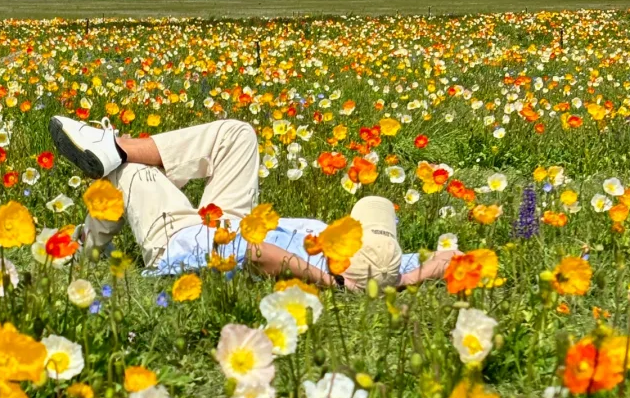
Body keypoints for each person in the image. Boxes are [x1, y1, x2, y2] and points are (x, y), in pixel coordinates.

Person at [49, 114, 452, 290]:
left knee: (134, 176)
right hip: (233, 223)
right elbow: (443, 261)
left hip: (188, 242)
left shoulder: (320, 270)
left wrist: (334, 283)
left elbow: (257, 253)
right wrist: (419, 274)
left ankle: (81, 247)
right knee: (238, 134)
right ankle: (117, 148)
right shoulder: (387, 266)